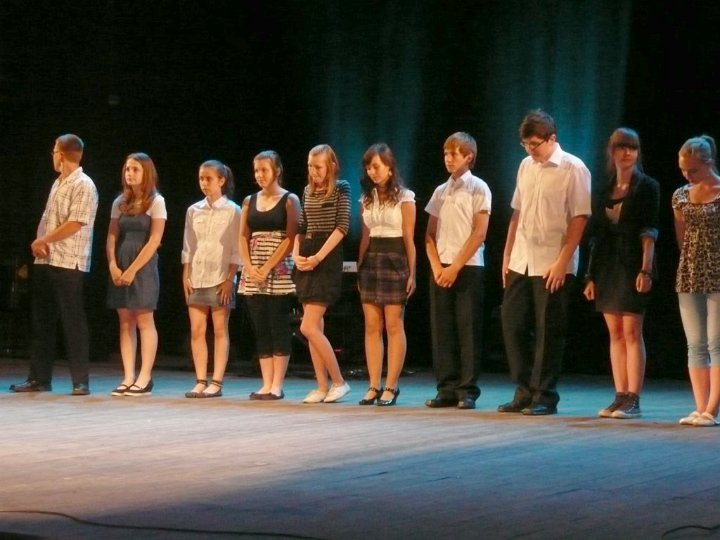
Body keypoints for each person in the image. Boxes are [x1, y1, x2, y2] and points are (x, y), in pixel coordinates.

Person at [499, 109, 591, 416]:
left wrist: (563, 261)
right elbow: (517, 212)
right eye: (525, 145)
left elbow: (580, 217)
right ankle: (523, 390)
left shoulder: (573, 168)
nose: (530, 150)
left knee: (548, 330)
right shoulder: (526, 166)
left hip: (553, 261)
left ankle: (544, 394)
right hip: (522, 259)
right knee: (513, 323)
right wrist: (507, 254)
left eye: (535, 144)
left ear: (552, 138)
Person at [10, 134, 98, 395]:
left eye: (54, 151)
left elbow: (76, 222)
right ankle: (39, 378)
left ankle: (80, 380)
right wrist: (40, 245)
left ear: (61, 154)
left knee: (72, 321)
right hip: (46, 258)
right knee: (42, 321)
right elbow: (48, 218)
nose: (52, 156)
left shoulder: (84, 184)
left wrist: (44, 239)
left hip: (69, 262)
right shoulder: (58, 183)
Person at [583, 128, 659, 419]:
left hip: (633, 263)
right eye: (621, 147)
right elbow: (595, 234)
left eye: (632, 148)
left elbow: (649, 231)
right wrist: (590, 276)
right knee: (614, 332)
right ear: (611, 151)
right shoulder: (604, 188)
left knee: (631, 331)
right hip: (607, 265)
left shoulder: (647, 186)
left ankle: (633, 398)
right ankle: (620, 394)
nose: (627, 153)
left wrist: (646, 270)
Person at [424, 132, 491, 410]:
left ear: (468, 157)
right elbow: (429, 235)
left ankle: (467, 389)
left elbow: (479, 233)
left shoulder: (478, 188)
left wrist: (455, 267)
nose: (448, 159)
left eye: (454, 154)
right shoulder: (440, 191)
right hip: (441, 268)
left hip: (468, 267)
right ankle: (446, 388)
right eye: (445, 153)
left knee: (468, 329)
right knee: (443, 330)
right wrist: (437, 266)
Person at [357, 143, 416, 407]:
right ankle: (374, 385)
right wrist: (360, 267)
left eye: (376, 167)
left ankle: (391, 385)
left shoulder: (405, 197)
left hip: (395, 259)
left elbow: (409, 239)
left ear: (389, 168)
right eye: (368, 167)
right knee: (372, 325)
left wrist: (412, 273)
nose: (372, 172)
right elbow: (365, 237)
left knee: (393, 324)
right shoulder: (366, 199)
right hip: (372, 260)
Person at [238, 151, 300, 400]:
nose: (259, 175)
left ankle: (277, 384)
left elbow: (291, 238)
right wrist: (250, 266)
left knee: (278, 324)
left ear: (277, 171)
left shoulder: (289, 199)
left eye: (264, 170)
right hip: (253, 269)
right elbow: (242, 236)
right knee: (260, 326)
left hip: (278, 269)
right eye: (256, 170)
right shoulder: (249, 201)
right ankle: (266, 383)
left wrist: (267, 267)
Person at [293, 144, 352, 403]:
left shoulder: (342, 188)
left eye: (318, 167)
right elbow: (302, 227)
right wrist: (296, 254)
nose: (313, 171)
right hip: (307, 253)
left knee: (307, 326)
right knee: (315, 326)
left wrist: (319, 257)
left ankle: (339, 381)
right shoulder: (307, 191)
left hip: (326, 255)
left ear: (331, 166)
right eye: (310, 166)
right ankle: (321, 385)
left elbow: (342, 227)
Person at [106, 152, 166, 396]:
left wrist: (132, 270)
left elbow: (155, 240)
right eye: (127, 169)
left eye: (135, 169)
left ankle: (145, 377)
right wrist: (113, 264)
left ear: (146, 173)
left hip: (143, 266)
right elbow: (112, 236)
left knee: (143, 319)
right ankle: (128, 375)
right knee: (125, 321)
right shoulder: (119, 202)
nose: (129, 173)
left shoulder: (156, 201)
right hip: (121, 262)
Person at [182, 160, 241, 398]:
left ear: (221, 181)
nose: (204, 183)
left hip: (220, 276)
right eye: (201, 178)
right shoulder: (193, 210)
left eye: (209, 179)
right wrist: (186, 274)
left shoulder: (233, 210)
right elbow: (188, 245)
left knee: (219, 329)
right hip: (197, 275)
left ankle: (216, 381)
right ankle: (200, 380)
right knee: (197, 329)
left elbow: (237, 248)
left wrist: (229, 278)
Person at [673, 135, 720, 427]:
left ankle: (712, 409)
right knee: (695, 343)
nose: (688, 175)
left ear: (709, 163)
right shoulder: (680, 196)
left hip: (717, 271)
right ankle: (700, 407)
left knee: (716, 342)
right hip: (690, 273)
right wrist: (689, 264)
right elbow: (682, 236)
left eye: (693, 170)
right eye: (683, 170)